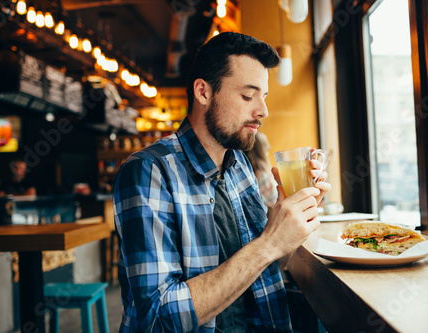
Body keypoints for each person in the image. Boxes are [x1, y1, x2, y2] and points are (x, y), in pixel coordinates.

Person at [114, 32, 330, 332]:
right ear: (203, 92)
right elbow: (158, 316)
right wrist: (269, 244)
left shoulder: (239, 164)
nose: (263, 111)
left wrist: (291, 220)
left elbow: (264, 270)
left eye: (263, 96)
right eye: (247, 96)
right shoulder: (148, 171)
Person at [244, 131, 278, 213]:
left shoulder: (247, 173)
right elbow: (274, 201)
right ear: (262, 151)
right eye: (267, 150)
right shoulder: (262, 175)